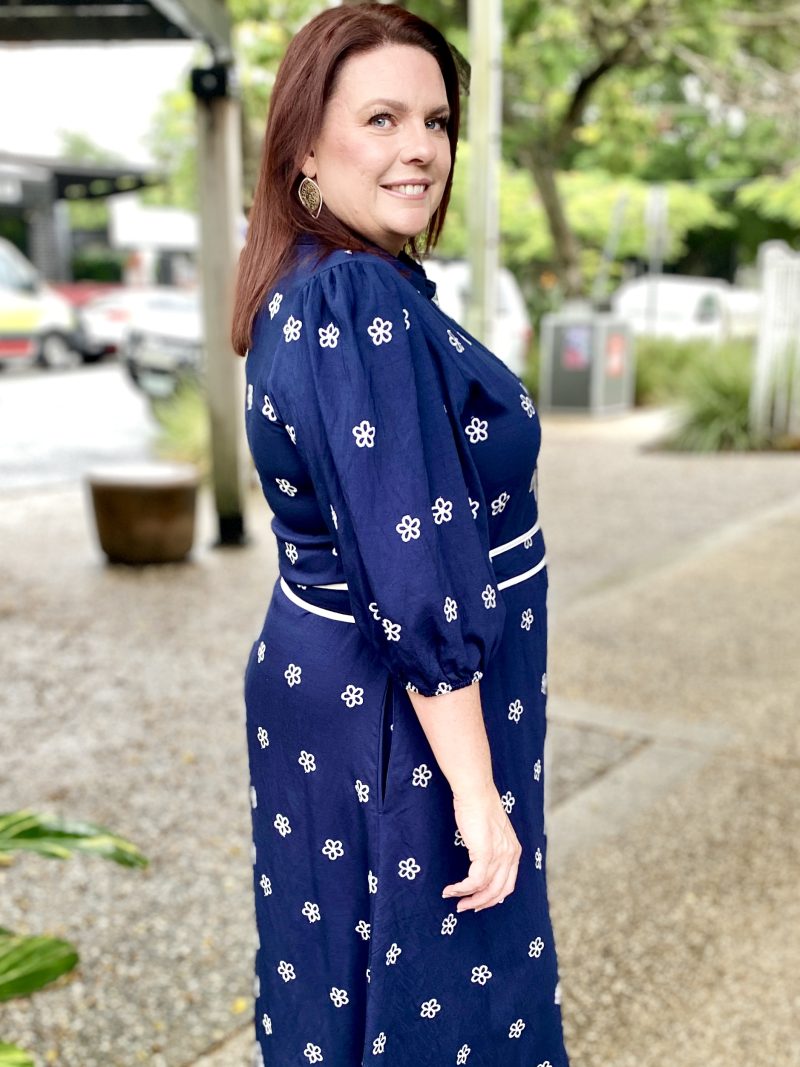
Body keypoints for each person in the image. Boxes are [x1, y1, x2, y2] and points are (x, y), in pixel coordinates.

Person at [231, 5, 570, 1065]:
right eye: (380, 118)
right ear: (304, 146)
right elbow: (412, 567)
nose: (419, 146)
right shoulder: (351, 297)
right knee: (436, 992)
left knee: (341, 965)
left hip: (352, 689)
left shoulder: (322, 281)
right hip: (399, 709)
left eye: (434, 120)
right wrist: (478, 793)